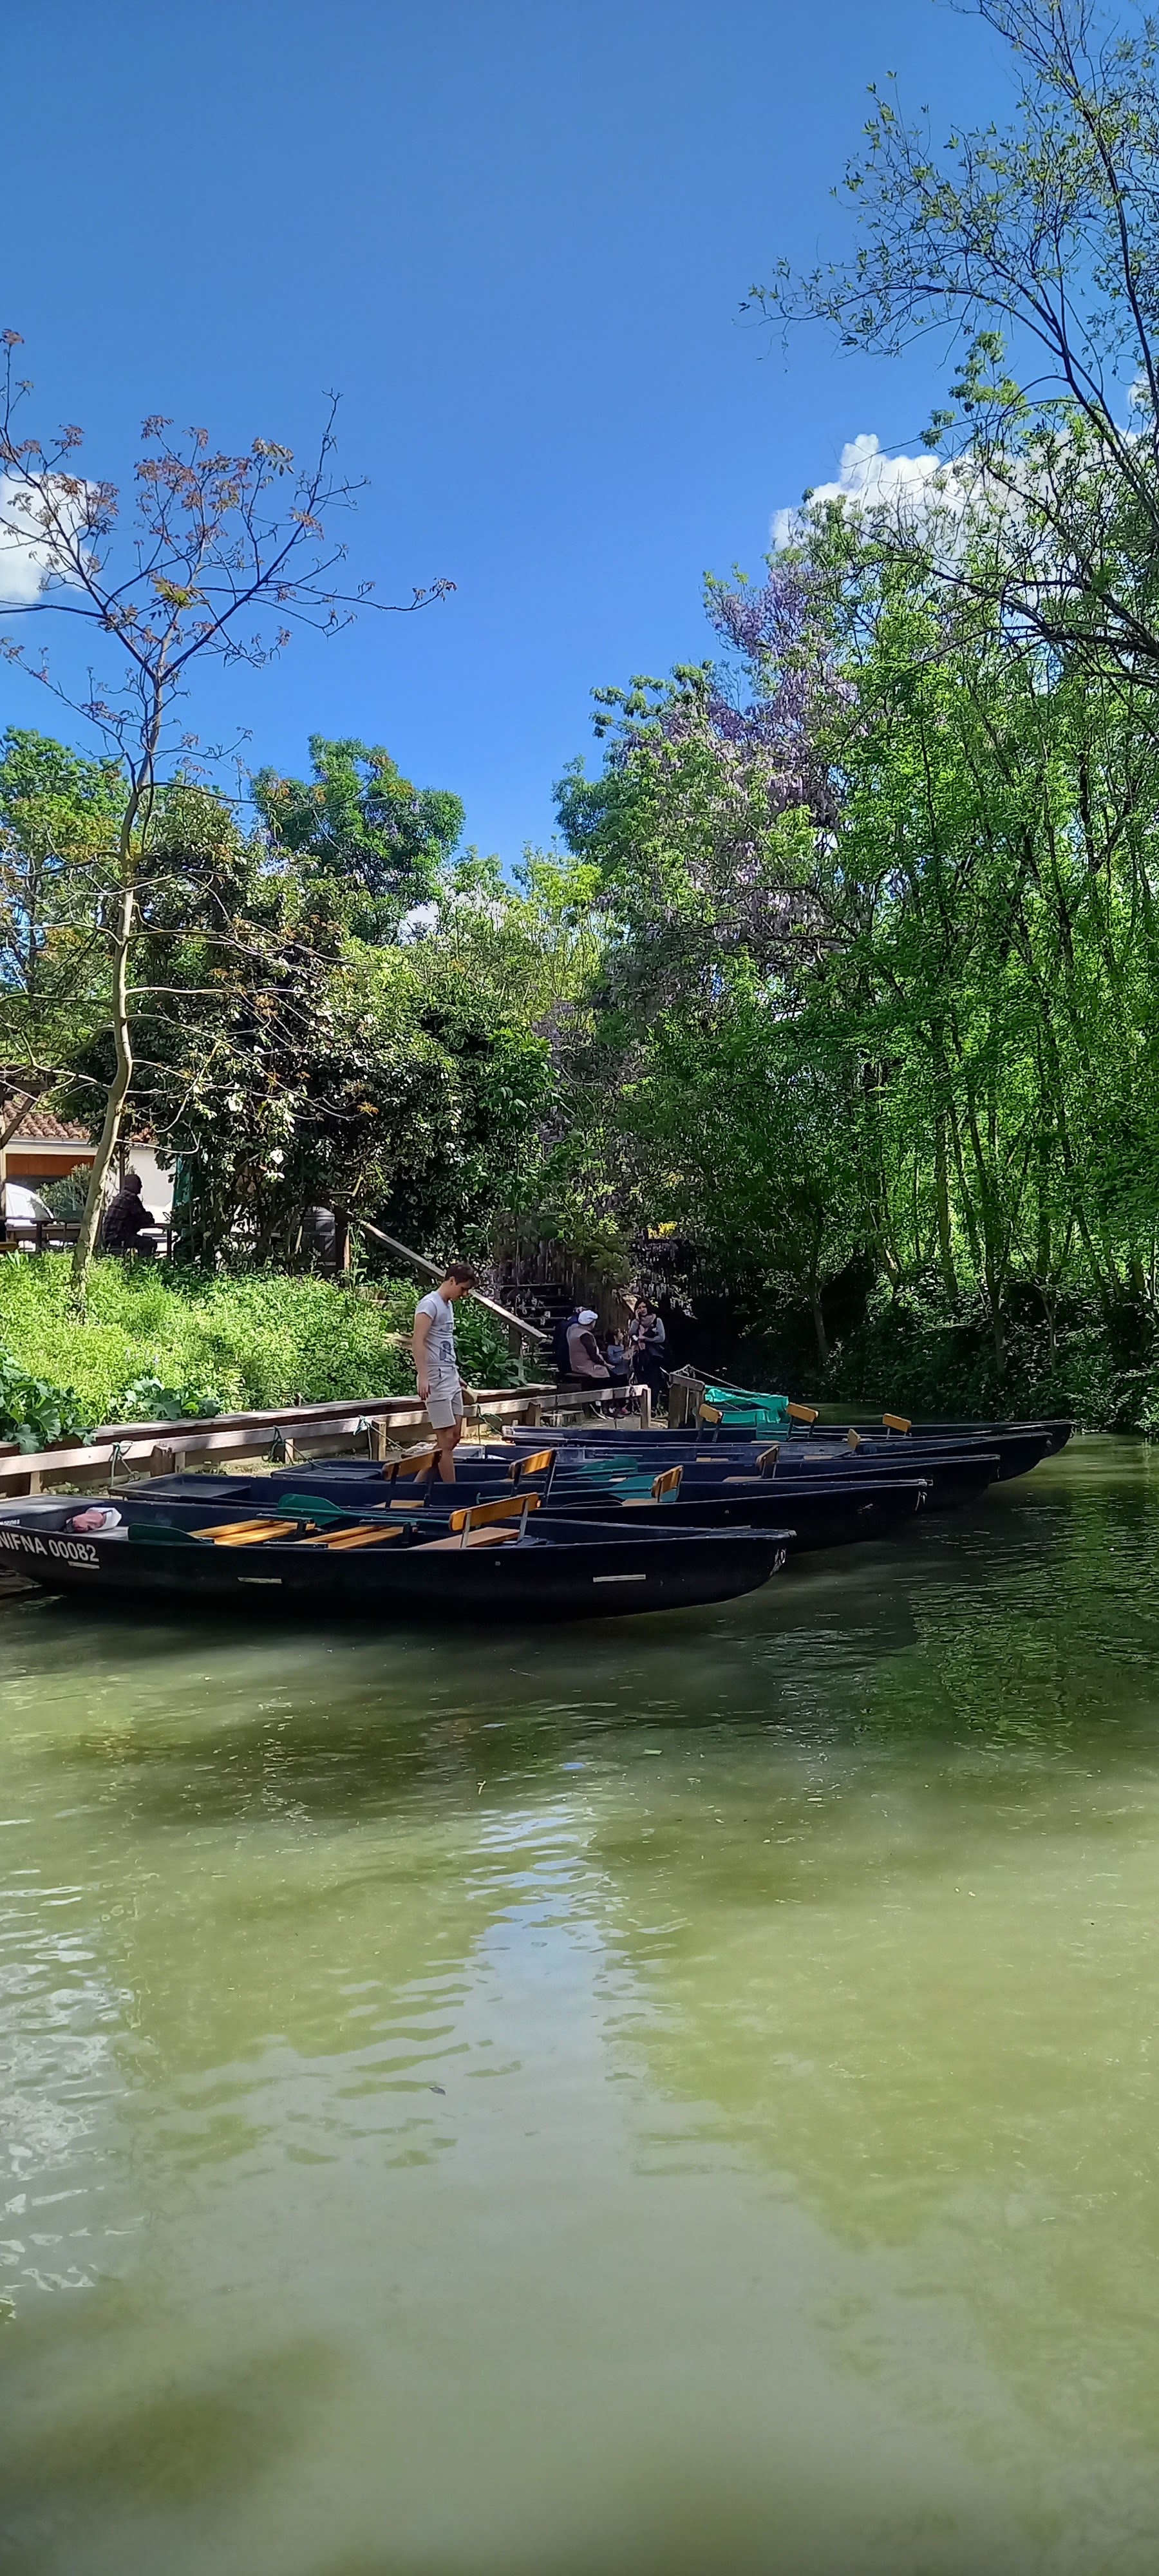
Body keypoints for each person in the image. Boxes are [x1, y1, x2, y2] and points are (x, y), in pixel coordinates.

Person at [411, 1262, 478, 1482]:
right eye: (463, 1289)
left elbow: (445, 1343)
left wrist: (457, 1375)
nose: (465, 1294)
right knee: (446, 1438)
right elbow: (418, 1341)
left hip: (450, 1375)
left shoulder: (448, 1305)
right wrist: (423, 1376)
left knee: (455, 1436)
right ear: (451, 1281)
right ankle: (452, 1489)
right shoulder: (429, 1305)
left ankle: (419, 1482)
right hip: (434, 1377)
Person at [100, 1172, 157, 1256]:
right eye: (139, 1184)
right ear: (132, 1185)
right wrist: (149, 1216)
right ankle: (142, 1263)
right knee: (149, 1244)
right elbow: (145, 1220)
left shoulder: (120, 1196)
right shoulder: (131, 1198)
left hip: (109, 1237)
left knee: (140, 1241)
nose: (141, 1187)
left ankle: (137, 1261)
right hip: (118, 1238)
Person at [566, 1308, 610, 1388]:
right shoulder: (586, 1335)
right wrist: (605, 1364)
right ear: (592, 1323)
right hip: (585, 1366)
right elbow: (594, 1355)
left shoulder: (574, 1331)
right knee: (605, 1372)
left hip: (575, 1364)